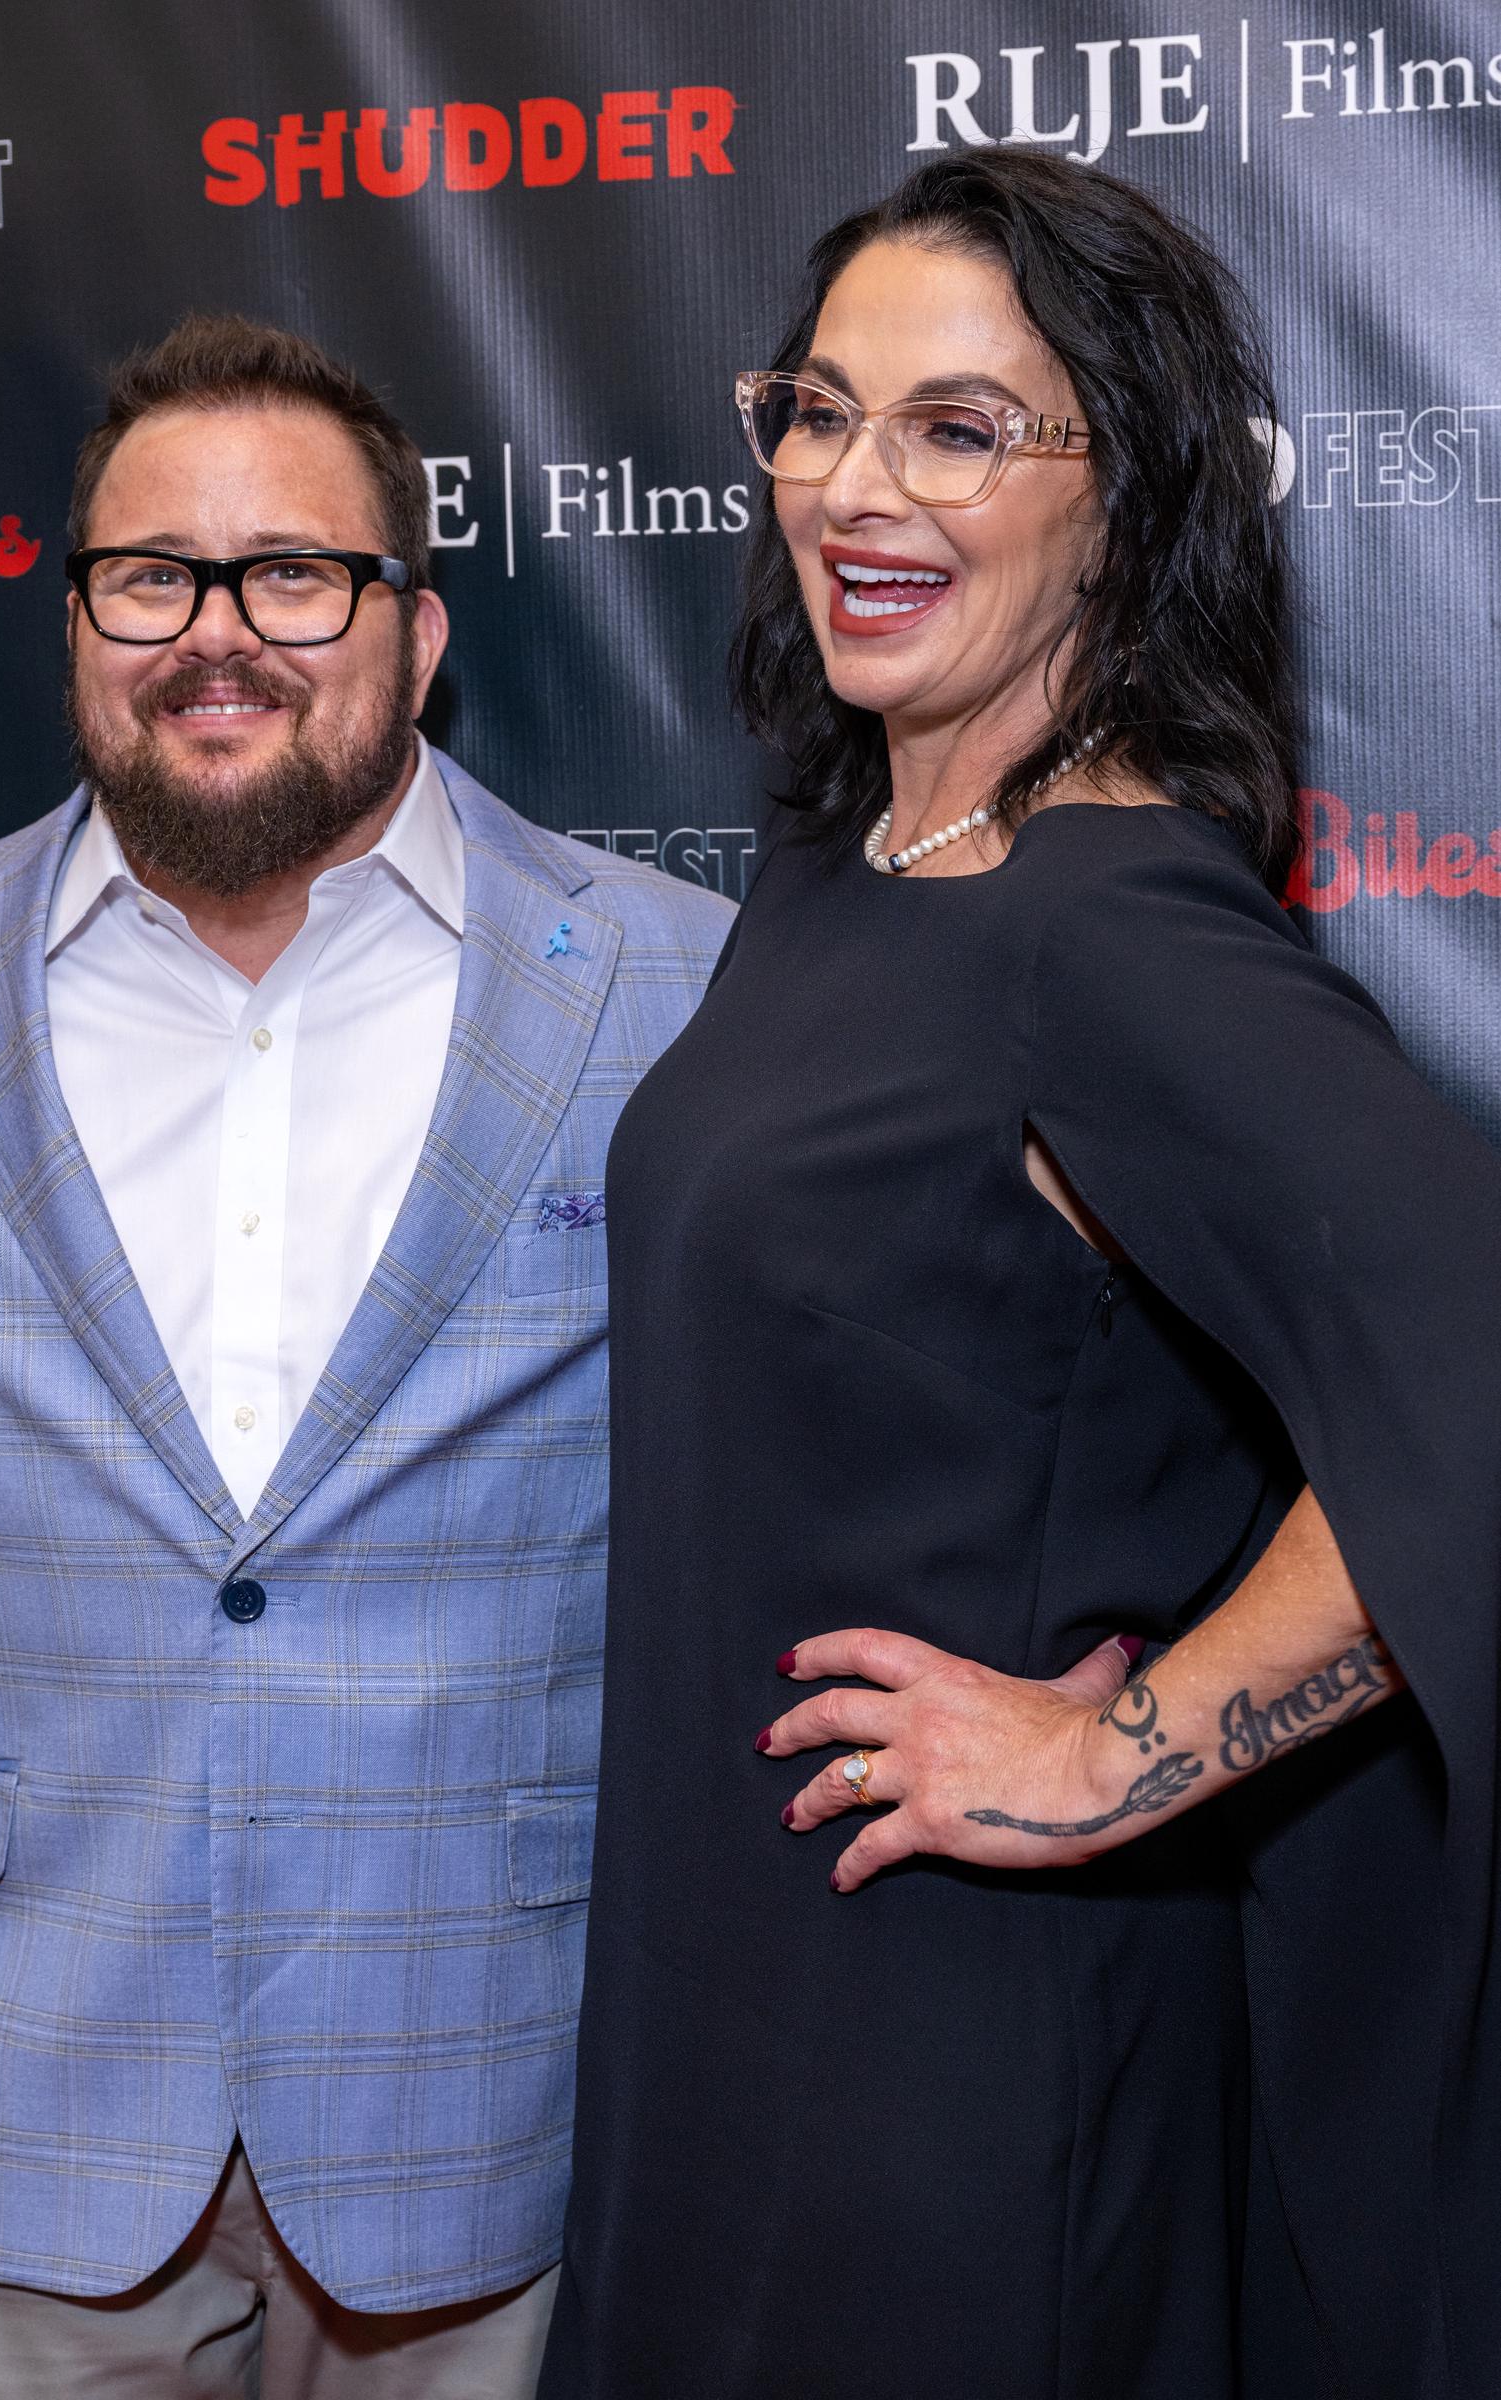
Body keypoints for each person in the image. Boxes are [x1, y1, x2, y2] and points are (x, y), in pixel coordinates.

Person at [538, 153, 1501, 2400]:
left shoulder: (1104, 919)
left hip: (957, 2088)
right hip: (742, 2001)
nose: (853, 488)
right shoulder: (851, 865)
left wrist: (1116, 1758)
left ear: (1128, 498)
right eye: (817, 409)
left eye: (960, 429)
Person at [0, 314, 732, 2400]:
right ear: (73, 622)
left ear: (415, 627)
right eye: (151, 576)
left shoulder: (678, 991)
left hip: (493, 2100)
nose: (216, 634)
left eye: (292, 573)